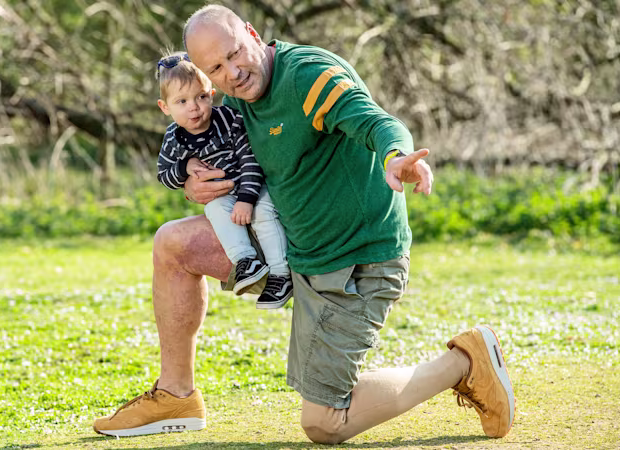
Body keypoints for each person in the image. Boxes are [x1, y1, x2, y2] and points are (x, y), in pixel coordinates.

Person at [94, 5, 516, 443]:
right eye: (215, 69)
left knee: (323, 423)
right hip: (290, 239)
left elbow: (375, 121)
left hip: (354, 258)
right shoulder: (232, 99)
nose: (232, 72)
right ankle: (176, 396)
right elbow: (204, 144)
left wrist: (396, 156)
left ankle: (465, 362)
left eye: (235, 54)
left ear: (252, 33)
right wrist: (191, 180)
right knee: (173, 243)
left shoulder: (308, 76)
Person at [153, 51, 292, 309]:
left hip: (253, 185)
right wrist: (184, 167)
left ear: (212, 94)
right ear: (165, 107)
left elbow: (250, 159)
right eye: (181, 101)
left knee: (263, 212)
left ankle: (280, 274)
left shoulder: (228, 119)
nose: (194, 107)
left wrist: (247, 199)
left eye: (201, 97)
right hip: (224, 196)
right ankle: (245, 261)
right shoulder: (173, 139)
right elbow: (164, 175)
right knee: (215, 209)